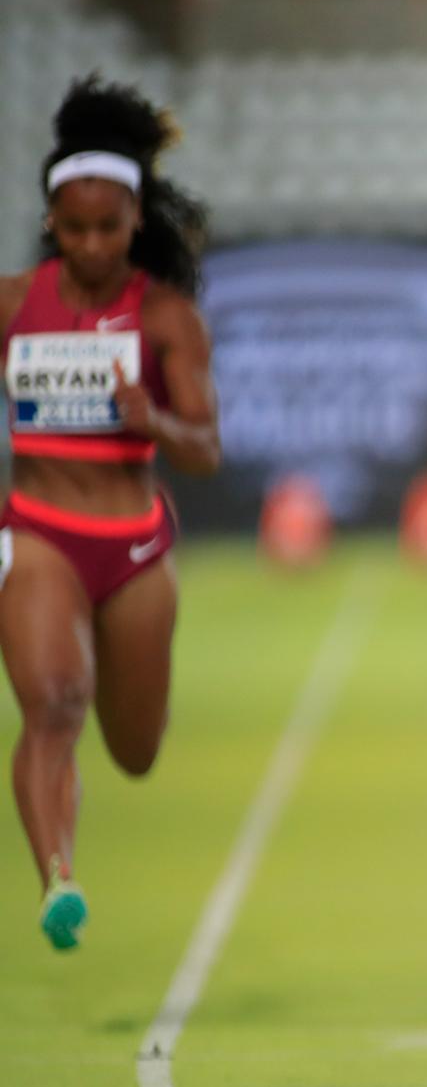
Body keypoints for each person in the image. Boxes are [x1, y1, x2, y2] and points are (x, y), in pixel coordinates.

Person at [0, 76, 221, 951]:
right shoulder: (16, 304)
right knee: (52, 701)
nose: (91, 245)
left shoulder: (165, 318)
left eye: (108, 227)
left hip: (131, 547)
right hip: (39, 531)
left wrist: (155, 420)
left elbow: (205, 448)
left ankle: (78, 816)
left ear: (136, 221)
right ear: (51, 219)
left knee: (134, 749)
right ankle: (59, 875)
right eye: (73, 227)